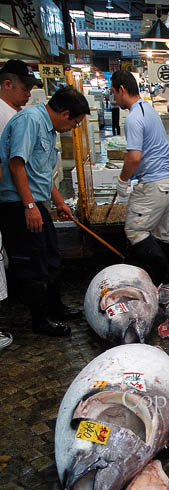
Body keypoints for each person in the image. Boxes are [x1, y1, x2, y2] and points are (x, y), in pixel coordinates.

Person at [0, 86, 89, 337]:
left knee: (50, 257)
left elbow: (42, 173)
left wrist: (59, 202)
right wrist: (29, 206)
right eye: (76, 123)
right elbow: (17, 165)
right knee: (33, 264)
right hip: (18, 205)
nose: (74, 129)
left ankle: (55, 308)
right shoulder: (30, 121)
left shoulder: (49, 129)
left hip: (35, 202)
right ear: (65, 113)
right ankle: (40, 321)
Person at [111, 70, 169, 283]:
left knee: (135, 230)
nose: (114, 98)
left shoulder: (133, 118)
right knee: (161, 233)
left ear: (122, 90)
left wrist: (122, 181)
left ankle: (165, 276)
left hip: (154, 185)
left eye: (114, 93)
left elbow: (133, 157)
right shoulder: (148, 110)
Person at [0, 59, 42, 349]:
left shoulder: (15, 113)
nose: (28, 94)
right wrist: (30, 205)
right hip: (13, 202)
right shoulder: (6, 116)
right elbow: (16, 165)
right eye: (25, 87)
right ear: (7, 84)